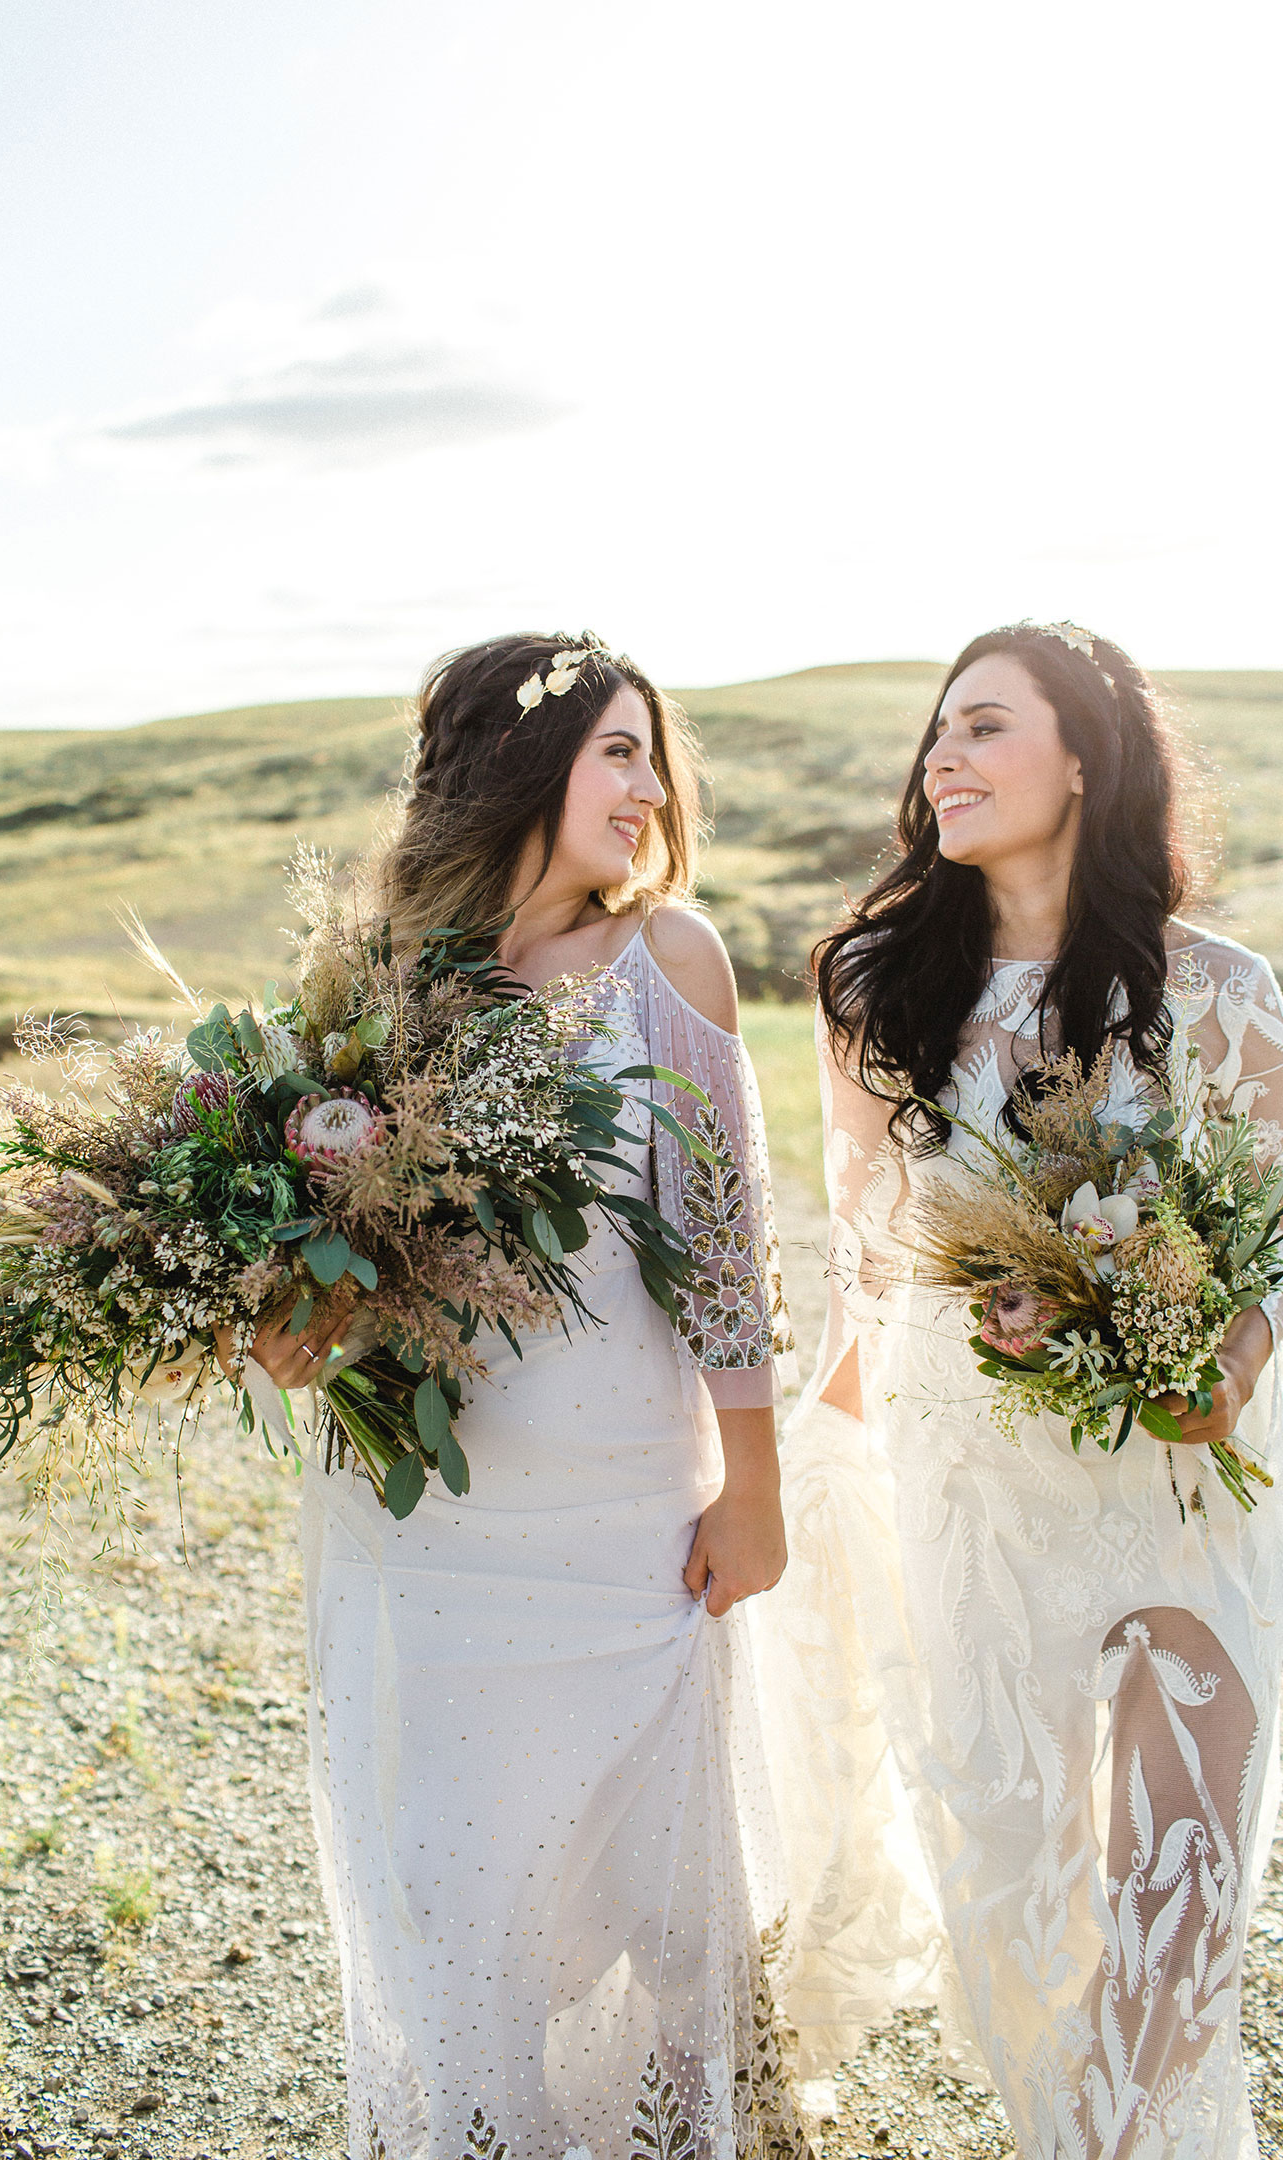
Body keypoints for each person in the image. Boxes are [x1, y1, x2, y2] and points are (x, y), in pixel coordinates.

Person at [223, 634, 799, 2160]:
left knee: (667, 1907)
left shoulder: (668, 958)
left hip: (625, 1515)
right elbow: (326, 1253)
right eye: (616, 749)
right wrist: (289, 1329)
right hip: (435, 1523)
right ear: (518, 769)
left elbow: (727, 1246)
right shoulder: (386, 981)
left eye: (651, 753)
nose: (650, 785)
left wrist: (756, 1487)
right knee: (458, 1888)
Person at [760, 621, 1283, 2158]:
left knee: (1179, 1894)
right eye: (937, 731)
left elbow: (1273, 1240)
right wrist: (801, 1480)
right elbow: (865, 1259)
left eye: (985, 726)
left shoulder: (1222, 995)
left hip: (1174, 1492)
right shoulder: (875, 990)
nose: (944, 757)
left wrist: (1222, 1367)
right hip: (967, 1496)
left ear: (1083, 760)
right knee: (1015, 1894)